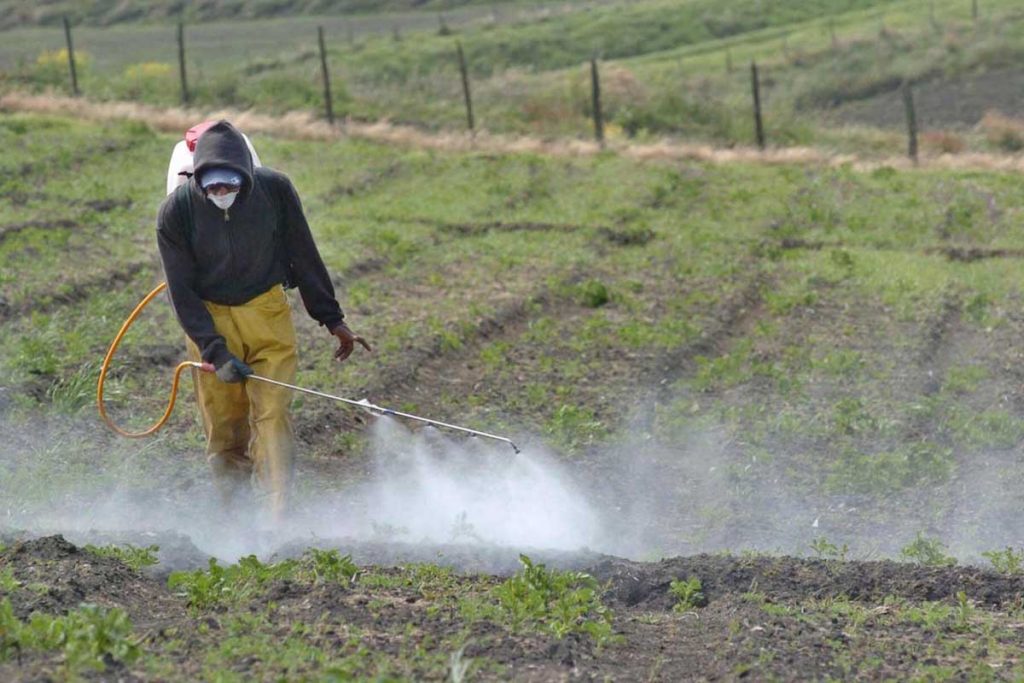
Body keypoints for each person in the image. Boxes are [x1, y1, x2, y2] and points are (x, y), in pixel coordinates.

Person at [156, 120, 370, 523]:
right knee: (225, 425)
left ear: (246, 178)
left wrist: (332, 319)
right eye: (213, 187)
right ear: (198, 181)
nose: (221, 194)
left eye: (230, 186)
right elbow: (181, 293)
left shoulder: (275, 191)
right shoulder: (175, 212)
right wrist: (215, 351)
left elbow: (304, 254)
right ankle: (235, 519)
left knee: (271, 414)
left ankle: (277, 519)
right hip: (209, 319)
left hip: (267, 312)